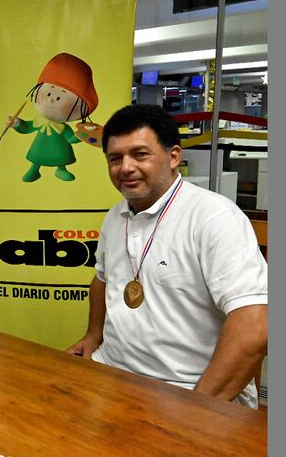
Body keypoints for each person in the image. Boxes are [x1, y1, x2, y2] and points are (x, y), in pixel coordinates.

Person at [66, 104, 267, 408]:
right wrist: (93, 335)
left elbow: (255, 324)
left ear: (174, 156)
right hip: (112, 373)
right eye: (115, 158)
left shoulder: (214, 217)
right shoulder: (115, 216)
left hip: (188, 390)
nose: (126, 167)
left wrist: (197, 409)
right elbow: (103, 280)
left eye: (140, 154)